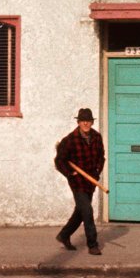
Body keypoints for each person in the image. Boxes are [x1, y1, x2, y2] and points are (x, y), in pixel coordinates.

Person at [54, 107, 105, 255]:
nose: (86, 124)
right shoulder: (70, 140)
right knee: (87, 211)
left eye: (88, 121)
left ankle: (64, 235)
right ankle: (93, 244)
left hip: (90, 180)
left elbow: (101, 157)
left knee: (81, 211)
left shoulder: (96, 137)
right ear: (78, 122)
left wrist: (97, 171)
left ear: (92, 122)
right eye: (83, 121)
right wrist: (70, 173)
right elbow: (59, 161)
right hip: (77, 181)